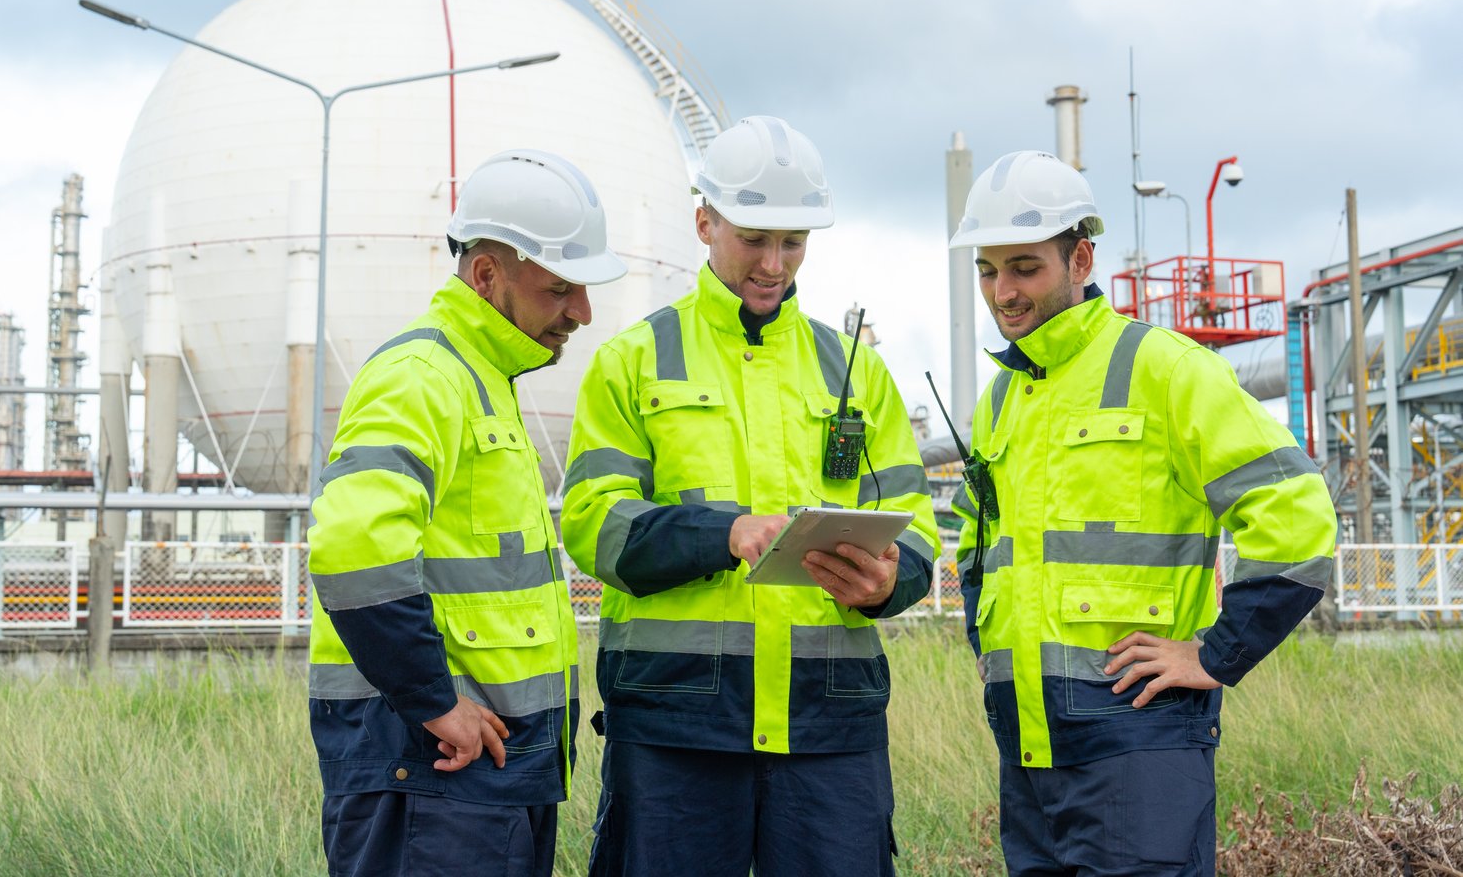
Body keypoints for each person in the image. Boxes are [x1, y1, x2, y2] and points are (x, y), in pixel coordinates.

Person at [561, 116, 940, 877]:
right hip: (678, 729)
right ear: (705, 222)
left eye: (793, 242)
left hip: (828, 728)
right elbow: (593, 525)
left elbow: (919, 530)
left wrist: (893, 579)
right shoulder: (633, 361)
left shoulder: (856, 370)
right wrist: (725, 534)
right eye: (754, 239)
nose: (774, 264)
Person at [948, 150, 1338, 876]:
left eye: (1025, 267)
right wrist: (986, 647)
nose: (1003, 291)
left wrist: (1215, 655)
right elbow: (979, 548)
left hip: (1139, 747)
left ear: (1081, 257)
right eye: (987, 268)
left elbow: (1296, 513)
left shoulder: (1165, 367)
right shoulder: (1000, 401)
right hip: (1027, 753)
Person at [306, 149, 627, 877]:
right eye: (560, 288)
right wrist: (433, 698)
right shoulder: (423, 376)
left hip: (479, 774)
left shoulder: (483, 380)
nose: (581, 311)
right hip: (430, 769)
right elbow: (352, 546)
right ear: (487, 275)